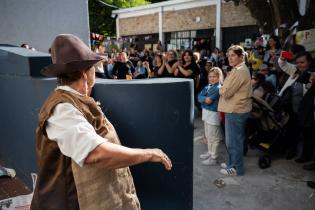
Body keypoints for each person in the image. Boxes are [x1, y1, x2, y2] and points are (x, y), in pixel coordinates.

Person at [30, 34, 172, 210]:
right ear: (85, 74)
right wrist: (149, 154)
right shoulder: (62, 110)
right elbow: (96, 154)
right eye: (93, 69)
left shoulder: (74, 100)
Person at [218, 45, 252, 176]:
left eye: (232, 55)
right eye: (228, 55)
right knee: (231, 141)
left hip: (236, 110)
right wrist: (223, 87)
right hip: (234, 109)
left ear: (240, 56)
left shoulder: (240, 71)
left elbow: (225, 92)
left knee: (234, 142)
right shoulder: (237, 69)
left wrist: (220, 88)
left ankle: (237, 169)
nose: (229, 58)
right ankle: (232, 163)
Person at [198, 67, 224, 166]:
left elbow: (209, 101)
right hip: (206, 113)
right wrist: (204, 99)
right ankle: (209, 152)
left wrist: (203, 99)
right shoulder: (208, 86)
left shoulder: (218, 88)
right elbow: (199, 97)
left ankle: (214, 157)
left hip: (213, 114)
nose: (212, 78)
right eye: (210, 76)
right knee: (208, 135)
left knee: (214, 137)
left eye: (214, 77)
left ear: (219, 77)